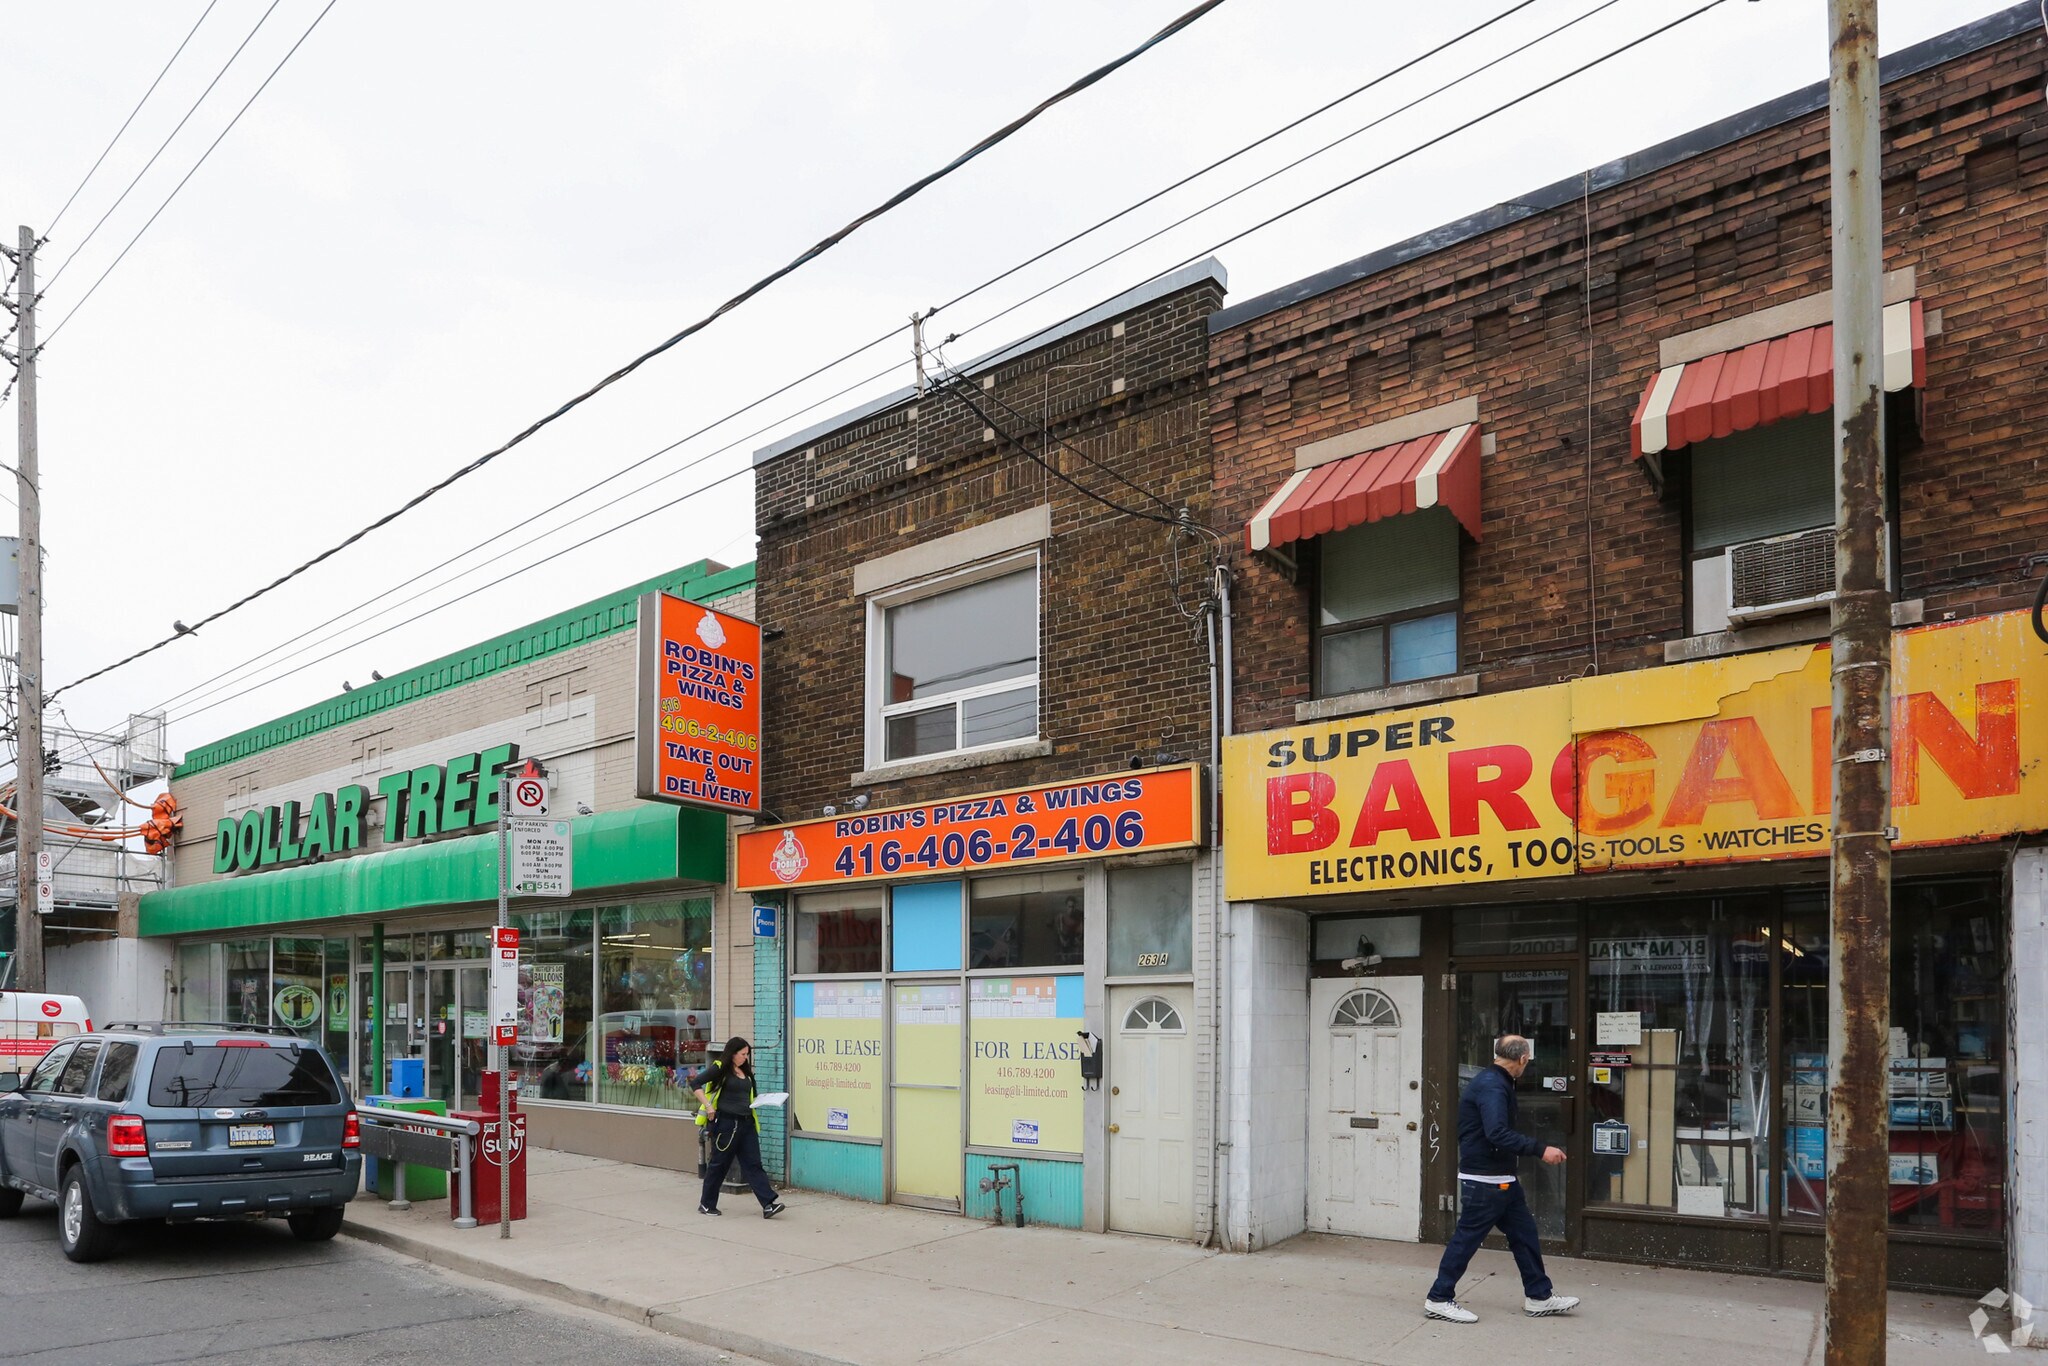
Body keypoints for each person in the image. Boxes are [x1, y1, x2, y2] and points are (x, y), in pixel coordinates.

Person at [1425, 1035, 1580, 1324]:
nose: (1527, 1064)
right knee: (1466, 1239)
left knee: (1525, 1235)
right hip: (1486, 1180)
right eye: (1528, 1060)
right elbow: (1496, 1132)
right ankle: (1439, 1297)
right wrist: (1541, 1149)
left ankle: (1539, 1296)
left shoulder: (1496, 1081)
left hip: (1500, 1178)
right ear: (1522, 1059)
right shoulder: (1493, 1086)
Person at [690, 1036, 784, 1219]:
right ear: (732, 1054)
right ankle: (707, 1204)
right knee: (719, 1164)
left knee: (754, 1164)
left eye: (747, 1054)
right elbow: (695, 1084)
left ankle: (768, 1204)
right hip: (727, 1124)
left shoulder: (746, 1072)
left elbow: (750, 1097)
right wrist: (709, 1107)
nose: (745, 1058)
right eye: (742, 1054)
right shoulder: (720, 1068)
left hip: (746, 1124)